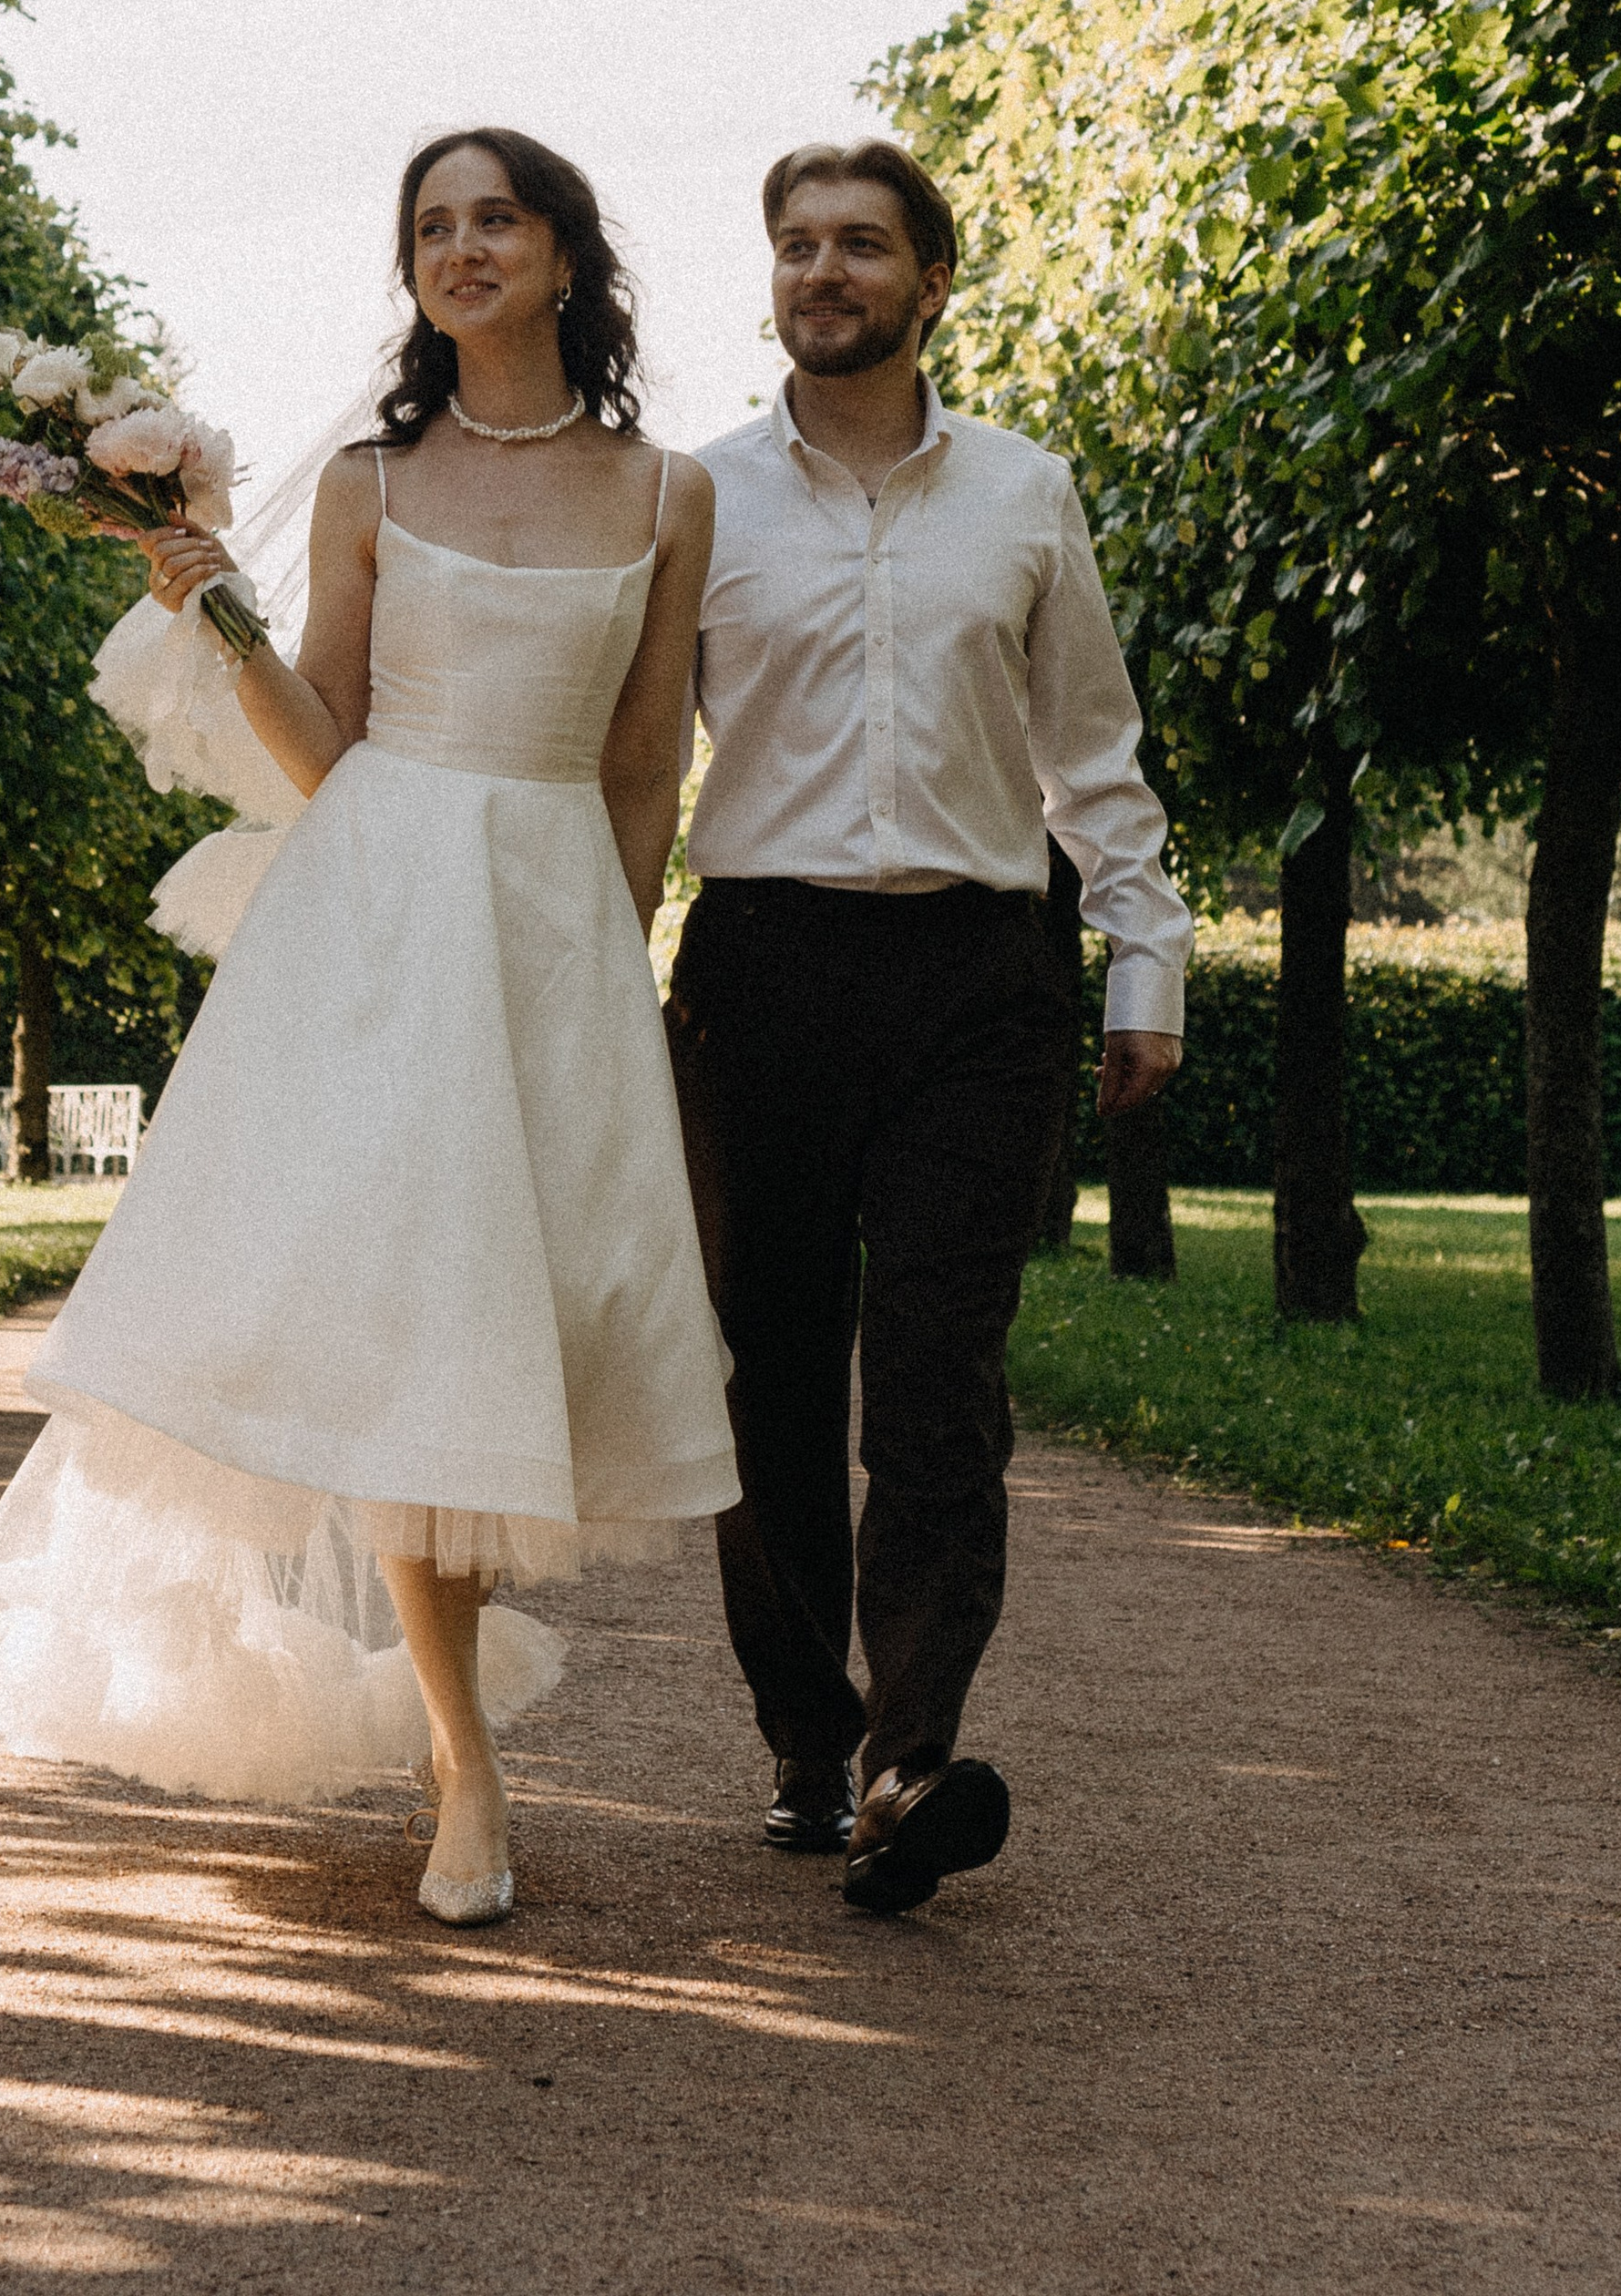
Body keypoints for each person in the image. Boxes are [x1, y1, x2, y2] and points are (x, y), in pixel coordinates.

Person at [0, 129, 735, 1929]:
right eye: (431, 225)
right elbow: (326, 750)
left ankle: (448, 1738)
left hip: (553, 930)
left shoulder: (665, 492)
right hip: (374, 918)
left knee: (497, 1332)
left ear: (567, 258)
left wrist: (615, 962)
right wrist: (208, 607)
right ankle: (468, 1770)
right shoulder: (367, 481)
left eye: (495, 218)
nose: (460, 247)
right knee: (420, 1320)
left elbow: (646, 757)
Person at [670, 138, 1190, 1916]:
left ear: (928, 281)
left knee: (938, 1375)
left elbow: (1089, 752)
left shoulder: (1026, 495)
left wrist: (1144, 966)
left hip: (978, 978)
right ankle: (805, 1742)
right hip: (755, 981)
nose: (822, 269)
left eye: (860, 245)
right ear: (772, 281)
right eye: (796, 244)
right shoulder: (695, 499)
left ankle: (907, 1753)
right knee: (768, 1379)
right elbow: (614, 745)